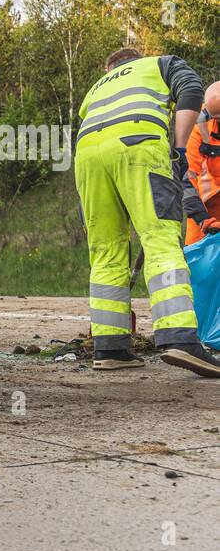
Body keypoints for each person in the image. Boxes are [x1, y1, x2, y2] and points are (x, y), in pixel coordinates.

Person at [73, 47, 220, 376]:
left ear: (111, 67)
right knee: (160, 239)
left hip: (86, 158)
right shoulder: (161, 64)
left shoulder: (97, 87)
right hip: (138, 145)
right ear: (138, 59)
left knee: (106, 251)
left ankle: (110, 347)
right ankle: (179, 337)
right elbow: (193, 90)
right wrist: (179, 148)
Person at [183, 81, 220, 245]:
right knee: (196, 248)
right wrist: (202, 218)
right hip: (208, 201)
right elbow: (186, 175)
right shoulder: (199, 125)